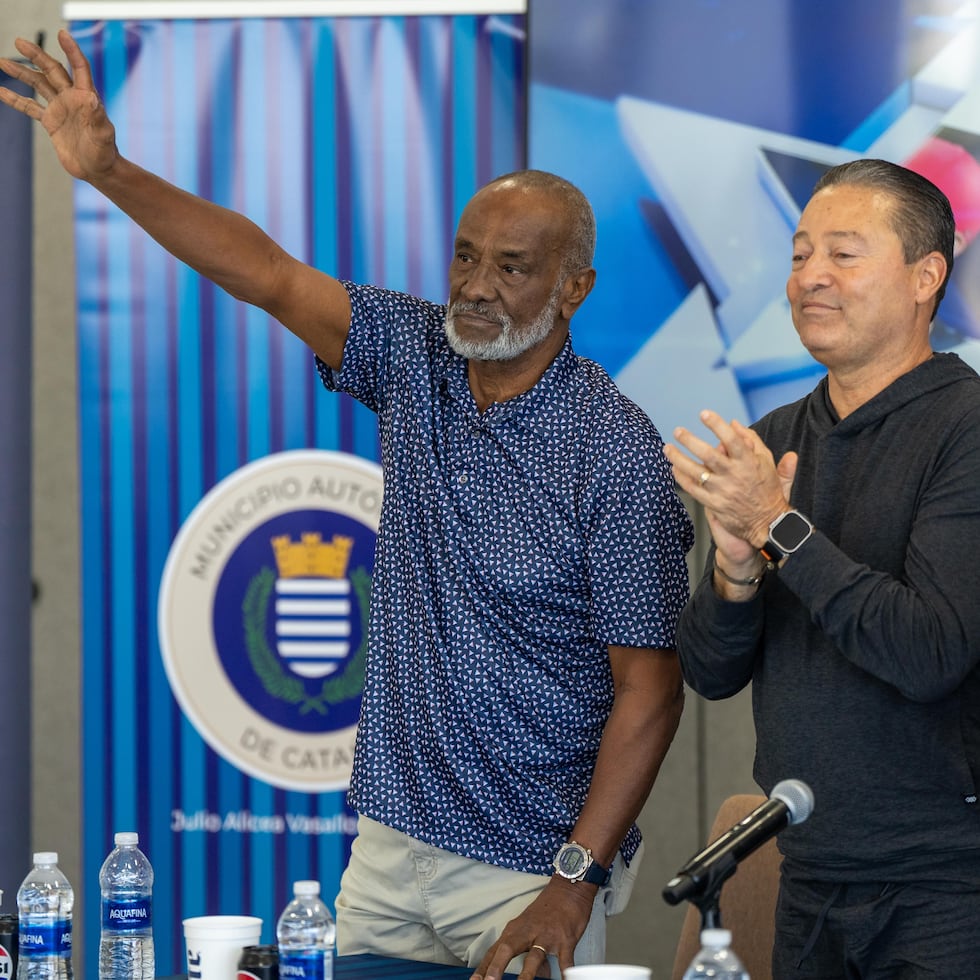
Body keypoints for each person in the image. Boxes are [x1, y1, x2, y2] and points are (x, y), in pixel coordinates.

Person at [0, 30, 695, 980]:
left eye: (513, 267)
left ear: (574, 289)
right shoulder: (418, 358)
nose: (476, 287)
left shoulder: (615, 451)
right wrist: (110, 171)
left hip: (526, 871)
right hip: (387, 855)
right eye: (465, 256)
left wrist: (573, 883)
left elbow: (651, 691)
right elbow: (270, 273)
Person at [664, 157, 980, 979]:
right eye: (801, 254)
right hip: (808, 867)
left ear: (926, 277)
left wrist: (778, 527)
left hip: (947, 888)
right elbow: (710, 672)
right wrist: (737, 572)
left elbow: (930, 652)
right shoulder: (772, 439)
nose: (811, 277)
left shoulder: (966, 428)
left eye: (843, 254)